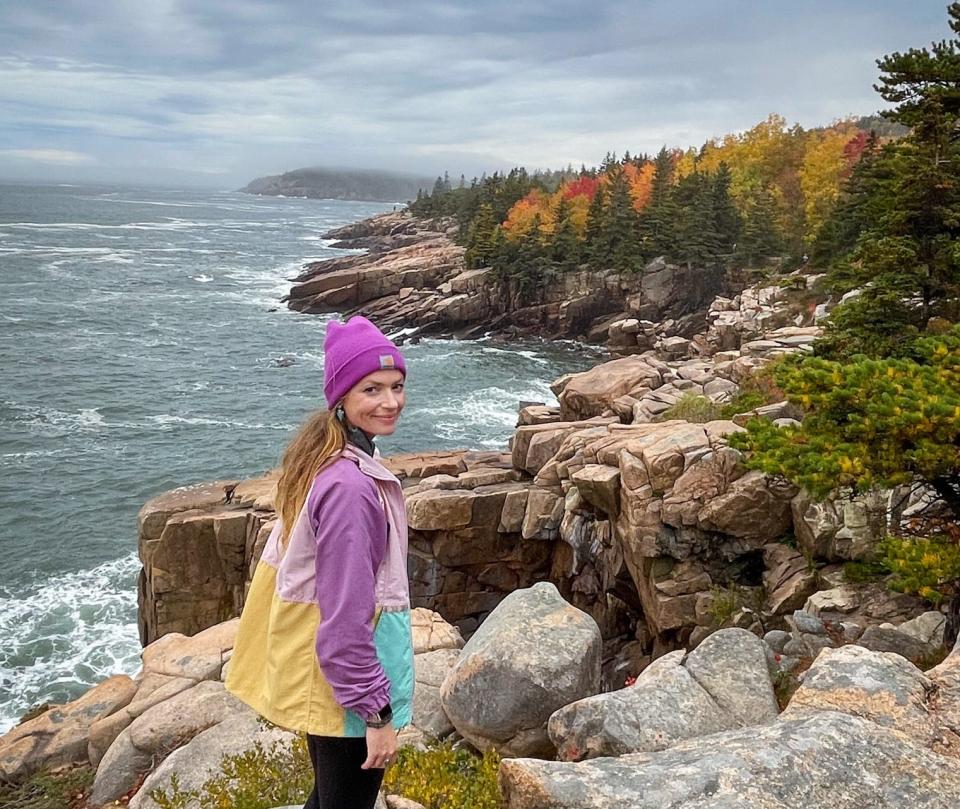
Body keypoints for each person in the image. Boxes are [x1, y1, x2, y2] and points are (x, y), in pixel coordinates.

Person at [226, 315, 414, 809]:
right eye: (371, 389)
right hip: (347, 688)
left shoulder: (328, 460)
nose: (390, 401)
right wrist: (376, 713)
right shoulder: (351, 488)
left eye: (396, 386)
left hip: (326, 676)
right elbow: (347, 615)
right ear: (342, 399)